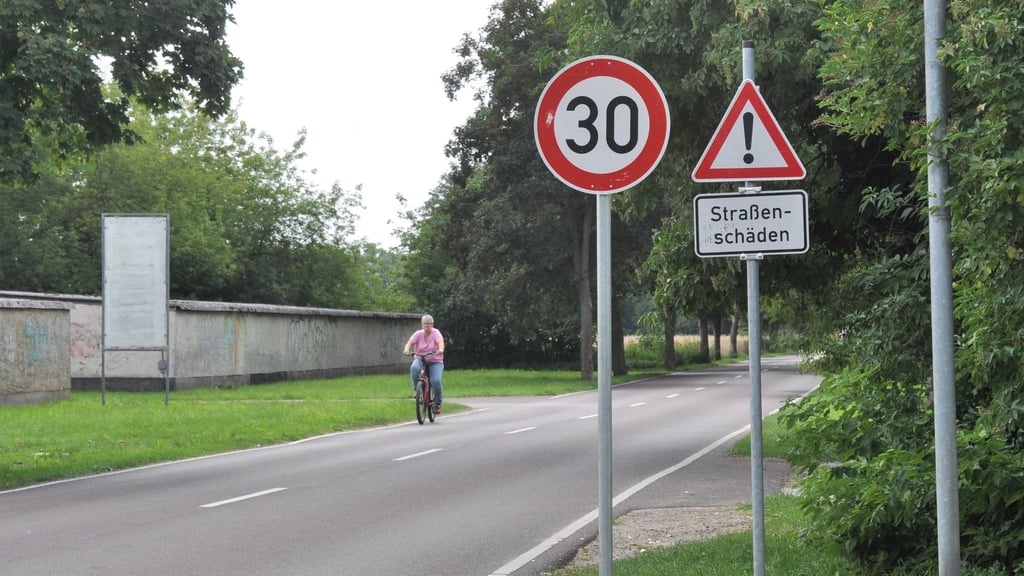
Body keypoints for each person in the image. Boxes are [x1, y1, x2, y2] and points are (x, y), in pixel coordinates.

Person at [403, 314, 445, 412]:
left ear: (432, 324)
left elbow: (440, 342)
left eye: (428, 324)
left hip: (435, 361)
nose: (426, 326)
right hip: (420, 359)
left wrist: (441, 349)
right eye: (424, 324)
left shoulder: (436, 333)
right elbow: (410, 342)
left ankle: (438, 403)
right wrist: (406, 349)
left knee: (436, 381)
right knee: (414, 368)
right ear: (422, 324)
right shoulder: (418, 333)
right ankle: (416, 390)